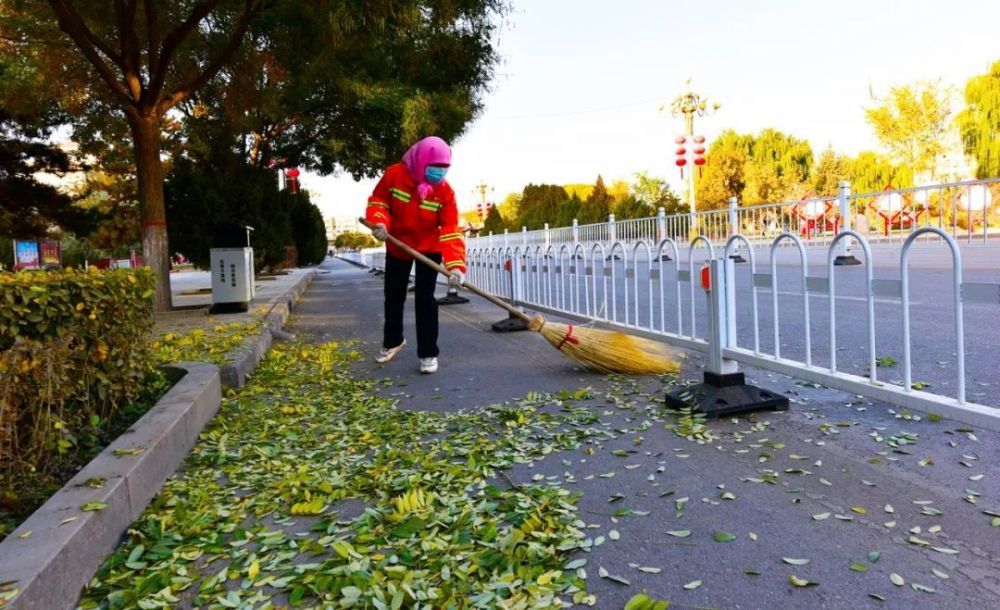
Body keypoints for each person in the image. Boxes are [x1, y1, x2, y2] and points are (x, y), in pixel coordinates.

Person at [365, 136, 466, 374]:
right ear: (421, 161)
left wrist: (456, 266)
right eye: (435, 167)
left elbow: (451, 230)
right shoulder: (395, 175)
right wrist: (379, 223)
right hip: (398, 243)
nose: (439, 174)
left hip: (429, 249)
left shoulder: (445, 192)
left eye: (444, 169)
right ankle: (393, 341)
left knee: (425, 300)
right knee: (393, 295)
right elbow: (379, 201)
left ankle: (428, 353)